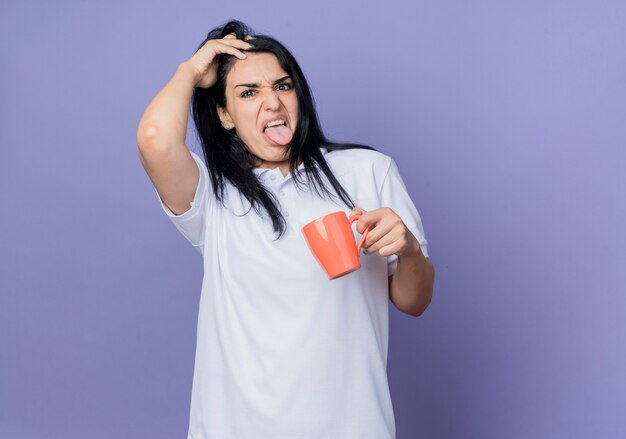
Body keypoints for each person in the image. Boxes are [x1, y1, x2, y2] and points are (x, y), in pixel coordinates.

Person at [137, 19, 435, 439]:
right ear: (224, 114)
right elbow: (154, 139)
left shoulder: (367, 171)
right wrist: (190, 70)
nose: (272, 103)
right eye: (248, 93)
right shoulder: (214, 198)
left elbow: (415, 300)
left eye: (282, 86)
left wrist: (407, 250)